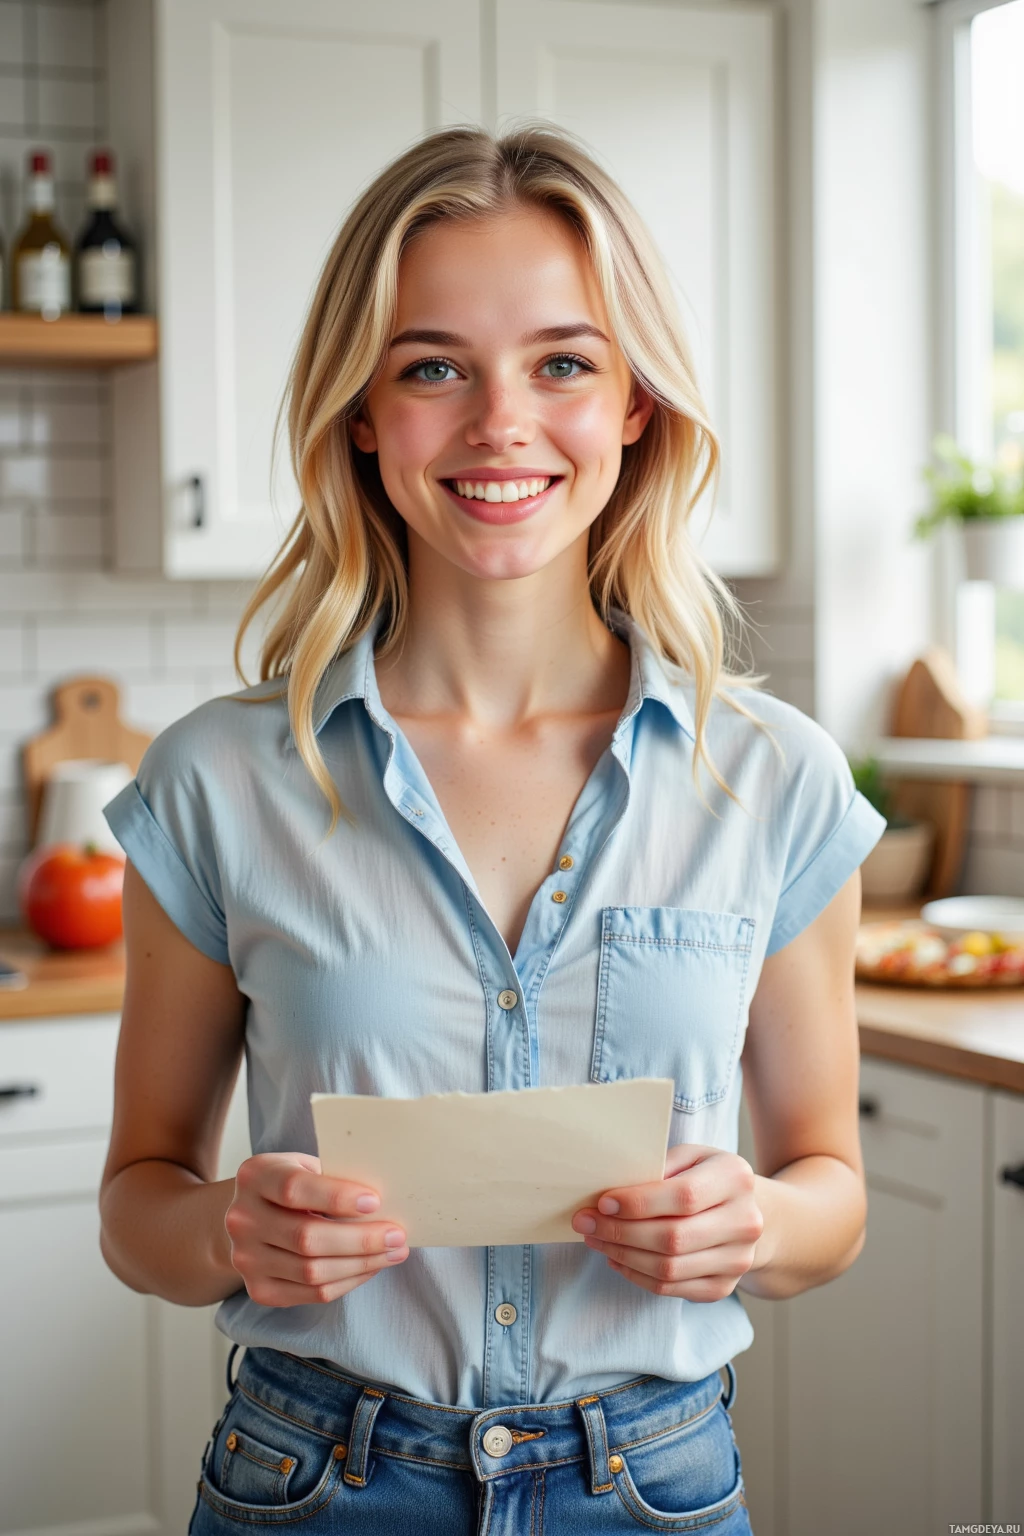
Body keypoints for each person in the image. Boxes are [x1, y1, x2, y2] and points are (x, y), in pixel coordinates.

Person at [100, 125, 885, 1535]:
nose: (500, 423)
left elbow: (832, 1188)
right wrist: (227, 1225)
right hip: (313, 1482)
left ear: (637, 402)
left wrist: (755, 1221)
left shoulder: (777, 781)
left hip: (654, 1487)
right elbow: (135, 1204)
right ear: (361, 412)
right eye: (434, 367)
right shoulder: (218, 780)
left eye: (564, 363)